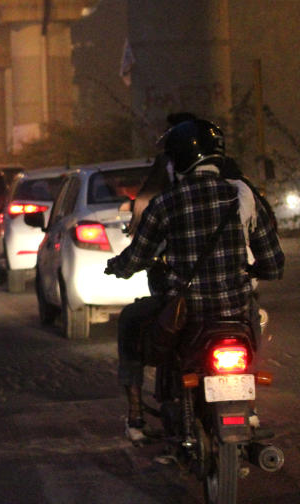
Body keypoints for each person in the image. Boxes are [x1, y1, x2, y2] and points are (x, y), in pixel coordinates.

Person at [105, 119, 284, 443]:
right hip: (236, 309)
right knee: (255, 318)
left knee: (130, 321)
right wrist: (250, 273)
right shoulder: (242, 196)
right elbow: (273, 263)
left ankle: (136, 415)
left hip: (187, 310)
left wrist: (116, 267)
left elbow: (138, 256)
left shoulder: (166, 203)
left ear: (180, 161)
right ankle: (250, 406)